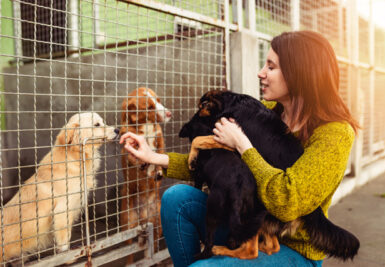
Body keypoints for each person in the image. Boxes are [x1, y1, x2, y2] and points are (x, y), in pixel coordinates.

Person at [119, 30, 360, 267]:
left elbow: (287, 203)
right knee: (177, 198)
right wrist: (152, 156)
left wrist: (243, 145)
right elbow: (221, 168)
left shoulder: (335, 133)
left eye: (271, 67)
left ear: (300, 73)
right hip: (249, 224)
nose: (260, 73)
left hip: (293, 248)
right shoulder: (267, 113)